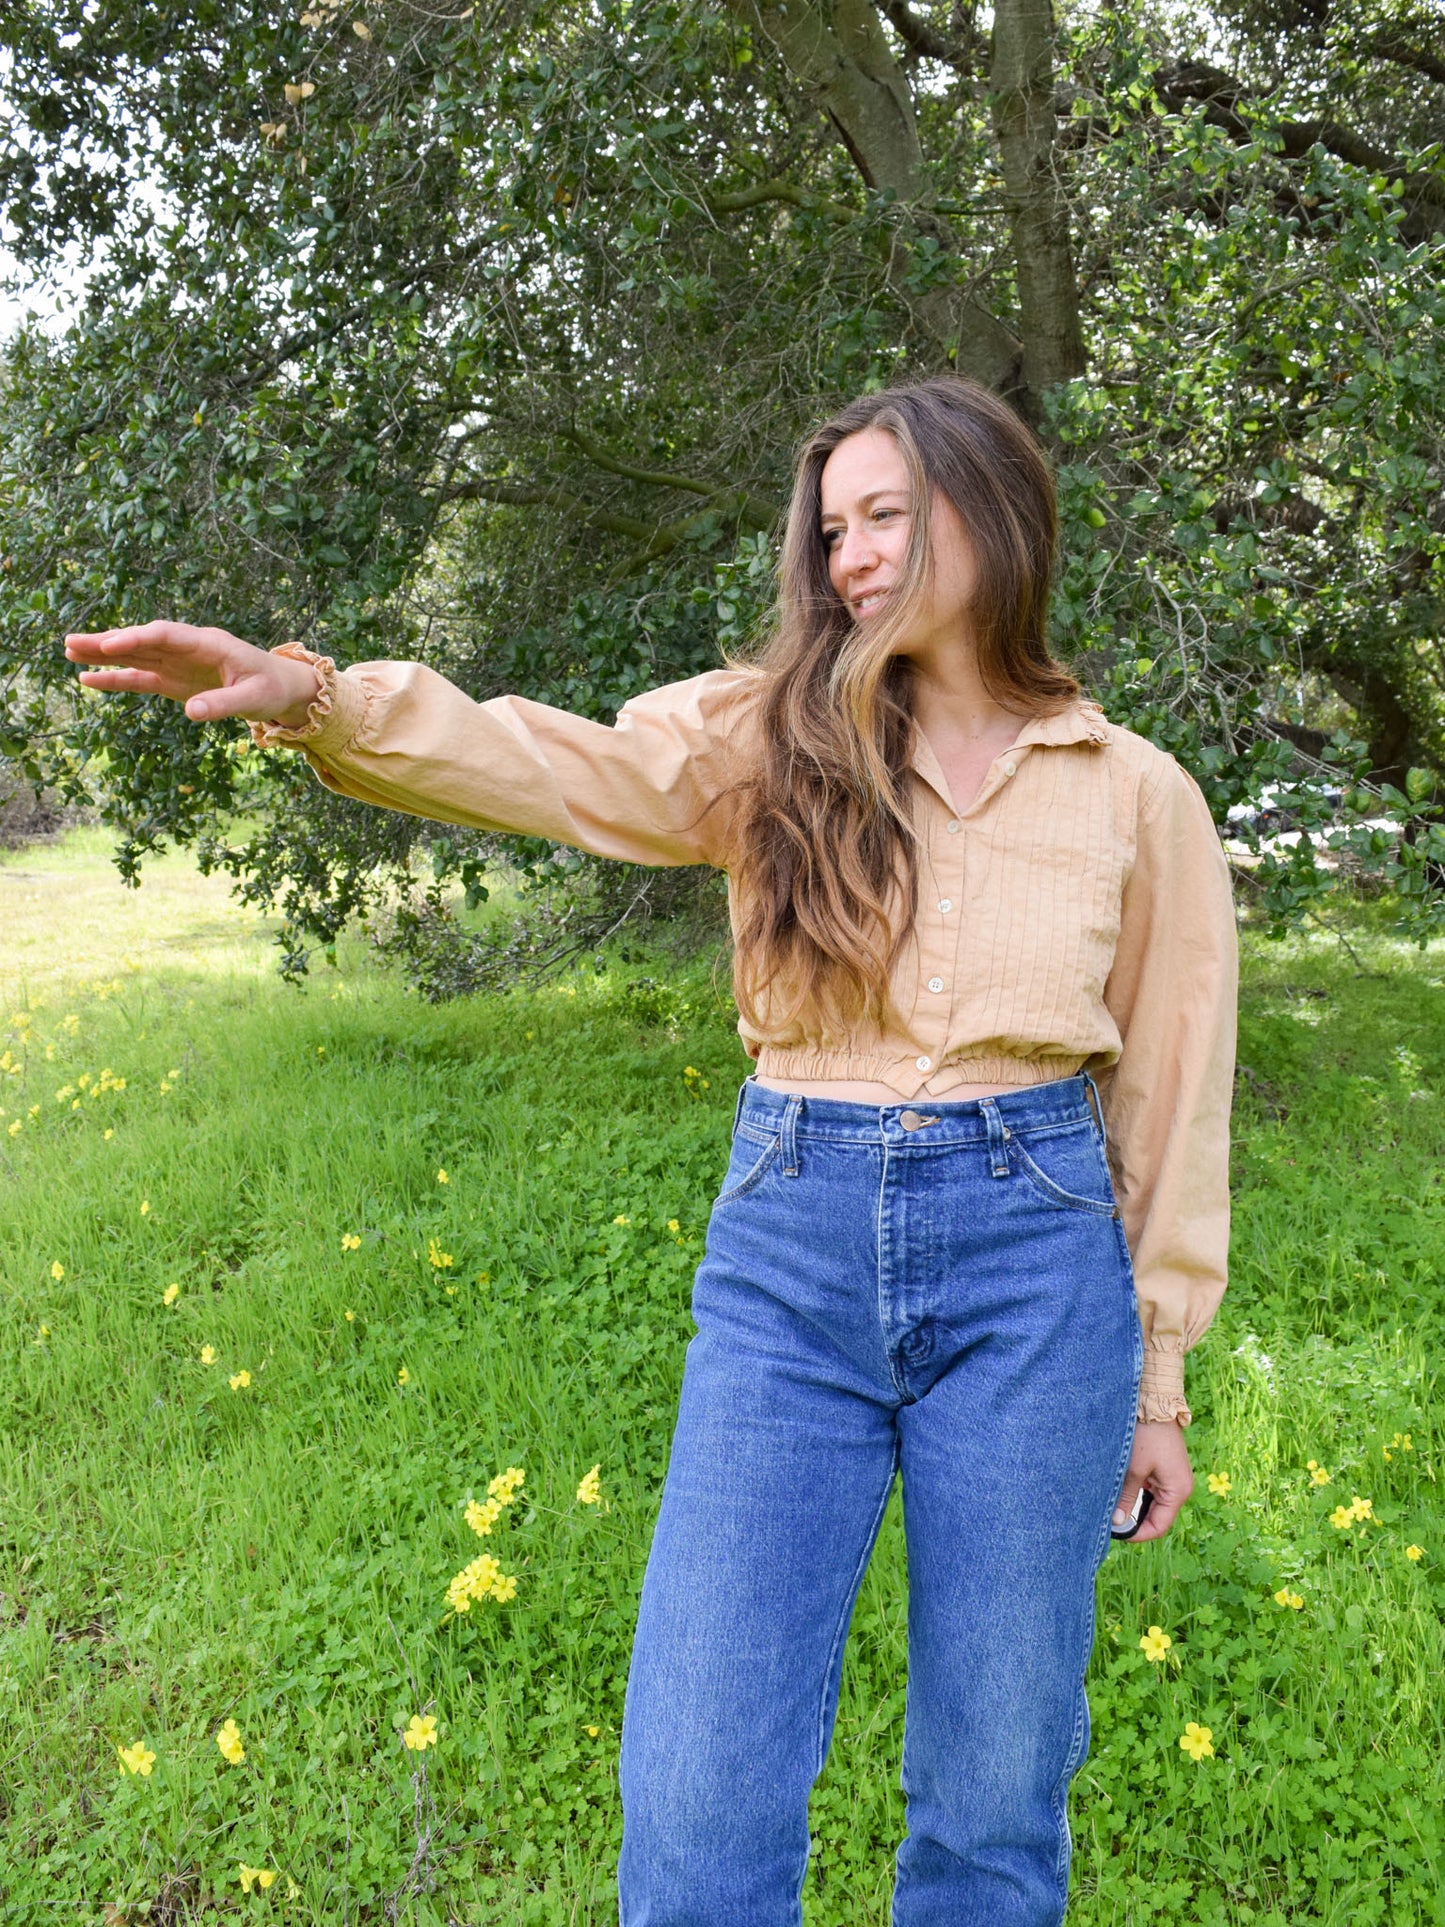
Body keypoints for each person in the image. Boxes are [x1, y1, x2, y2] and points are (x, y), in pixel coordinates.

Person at [66, 375, 1237, 1926]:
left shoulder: (1135, 794)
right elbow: (546, 760)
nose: (851, 558)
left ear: (993, 515)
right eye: (832, 530)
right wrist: (313, 699)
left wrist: (1157, 1380)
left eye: (887, 515)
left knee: (996, 1790)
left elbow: (1167, 1098)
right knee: (699, 1780)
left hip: (1038, 1283)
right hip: (790, 1262)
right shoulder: (770, 738)